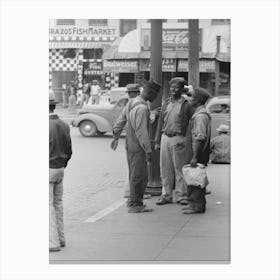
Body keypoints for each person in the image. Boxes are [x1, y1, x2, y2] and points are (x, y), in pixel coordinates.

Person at [111, 80, 161, 213]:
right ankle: (136, 204)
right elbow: (141, 132)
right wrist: (148, 150)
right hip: (138, 147)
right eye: (155, 94)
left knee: (133, 174)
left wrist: (115, 137)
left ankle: (133, 200)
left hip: (129, 144)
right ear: (150, 92)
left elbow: (119, 122)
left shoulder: (131, 103)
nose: (155, 98)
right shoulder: (142, 108)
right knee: (140, 175)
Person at [154, 77, 195, 206]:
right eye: (171, 86)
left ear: (182, 89)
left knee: (179, 169)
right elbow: (161, 122)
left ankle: (181, 195)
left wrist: (187, 140)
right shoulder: (166, 103)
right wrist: (157, 141)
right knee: (165, 169)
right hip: (165, 137)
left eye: (176, 87)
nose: (173, 89)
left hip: (179, 138)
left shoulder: (187, 105)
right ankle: (166, 195)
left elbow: (192, 124)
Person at [182, 87, 211, 214]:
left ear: (198, 100)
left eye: (192, 97)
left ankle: (197, 206)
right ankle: (193, 204)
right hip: (196, 151)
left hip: (198, 152)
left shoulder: (200, 116)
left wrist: (195, 156)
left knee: (196, 180)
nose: (190, 99)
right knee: (192, 179)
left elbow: (200, 137)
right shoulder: (199, 113)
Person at [49, 91, 72, 252]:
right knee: (58, 204)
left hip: (48, 169)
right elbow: (69, 151)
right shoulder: (64, 125)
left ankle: (52, 242)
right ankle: (61, 239)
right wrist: (62, 164)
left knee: (47, 206)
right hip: (60, 169)